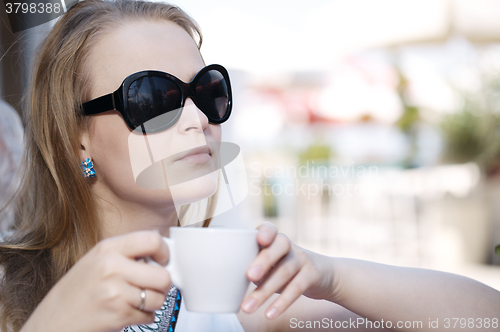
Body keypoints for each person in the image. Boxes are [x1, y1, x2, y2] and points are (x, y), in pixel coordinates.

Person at [0, 0, 499, 331]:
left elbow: (483, 318)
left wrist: (334, 276)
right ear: (74, 139)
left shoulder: (228, 289)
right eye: (154, 97)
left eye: (207, 91)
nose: (198, 119)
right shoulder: (10, 288)